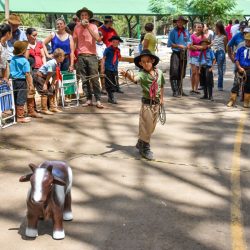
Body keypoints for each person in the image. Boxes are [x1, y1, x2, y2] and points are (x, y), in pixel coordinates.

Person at [120, 49, 165, 160]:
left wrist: (162, 99)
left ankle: (141, 142)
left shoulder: (159, 73)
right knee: (146, 126)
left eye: (147, 61)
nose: (145, 64)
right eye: (143, 62)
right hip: (147, 105)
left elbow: (162, 85)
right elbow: (135, 79)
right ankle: (145, 147)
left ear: (153, 61)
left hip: (156, 104)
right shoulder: (142, 74)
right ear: (140, 63)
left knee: (152, 127)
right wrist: (127, 75)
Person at [73, 7, 104, 108]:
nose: (84, 17)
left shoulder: (93, 26)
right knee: (84, 79)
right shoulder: (76, 27)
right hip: (81, 55)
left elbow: (98, 39)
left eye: (86, 15)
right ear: (80, 17)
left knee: (94, 78)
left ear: (89, 17)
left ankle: (98, 100)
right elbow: (74, 42)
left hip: (92, 55)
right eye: (82, 15)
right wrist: (73, 53)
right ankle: (88, 99)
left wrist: (87, 27)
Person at [33, 48, 65, 115]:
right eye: (63, 56)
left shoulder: (58, 64)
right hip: (40, 76)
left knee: (51, 90)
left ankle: (52, 107)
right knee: (44, 91)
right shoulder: (51, 63)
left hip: (46, 77)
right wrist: (45, 84)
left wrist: (53, 83)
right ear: (59, 57)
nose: (64, 58)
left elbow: (56, 74)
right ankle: (44, 109)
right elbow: (50, 73)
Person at [10, 41, 33, 123]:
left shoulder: (13, 58)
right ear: (23, 51)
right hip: (21, 81)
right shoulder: (25, 61)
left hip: (13, 80)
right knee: (21, 98)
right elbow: (27, 74)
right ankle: (20, 117)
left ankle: (15, 115)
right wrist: (30, 85)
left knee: (15, 98)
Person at [167, 16, 191, 97]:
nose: (180, 23)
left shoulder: (186, 31)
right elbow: (170, 43)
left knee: (182, 72)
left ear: (184, 23)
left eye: (182, 22)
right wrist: (178, 46)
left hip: (184, 53)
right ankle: (175, 91)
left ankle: (180, 90)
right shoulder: (173, 31)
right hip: (176, 53)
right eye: (178, 21)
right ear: (176, 22)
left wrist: (188, 45)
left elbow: (189, 40)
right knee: (174, 72)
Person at [227, 33, 250, 107]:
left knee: (248, 85)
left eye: (249, 41)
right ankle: (232, 100)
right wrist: (239, 67)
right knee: (236, 84)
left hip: (249, 69)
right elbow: (236, 59)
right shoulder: (240, 49)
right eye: (247, 41)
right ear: (245, 41)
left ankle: (246, 101)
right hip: (240, 68)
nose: (248, 42)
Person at [101, 35, 123, 104]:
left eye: (117, 42)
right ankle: (111, 98)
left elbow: (118, 58)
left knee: (114, 83)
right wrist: (102, 68)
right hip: (108, 68)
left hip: (114, 68)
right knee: (109, 83)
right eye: (114, 42)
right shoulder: (107, 49)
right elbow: (103, 58)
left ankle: (113, 93)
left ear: (118, 43)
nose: (115, 43)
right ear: (112, 42)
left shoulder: (118, 50)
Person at [211, 21, 228, 91]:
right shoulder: (215, 36)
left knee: (220, 69)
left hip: (221, 53)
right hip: (214, 52)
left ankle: (220, 86)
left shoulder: (224, 37)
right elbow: (213, 44)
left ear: (219, 28)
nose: (215, 28)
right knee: (211, 67)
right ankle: (210, 84)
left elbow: (225, 46)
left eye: (216, 27)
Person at [189, 22, 204, 94]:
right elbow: (190, 46)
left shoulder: (203, 37)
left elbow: (204, 47)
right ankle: (192, 88)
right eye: (198, 27)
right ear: (195, 28)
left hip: (201, 56)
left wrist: (195, 47)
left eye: (200, 27)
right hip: (193, 56)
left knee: (198, 73)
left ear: (202, 28)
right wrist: (199, 48)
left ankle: (196, 89)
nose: (199, 28)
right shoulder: (192, 36)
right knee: (193, 72)